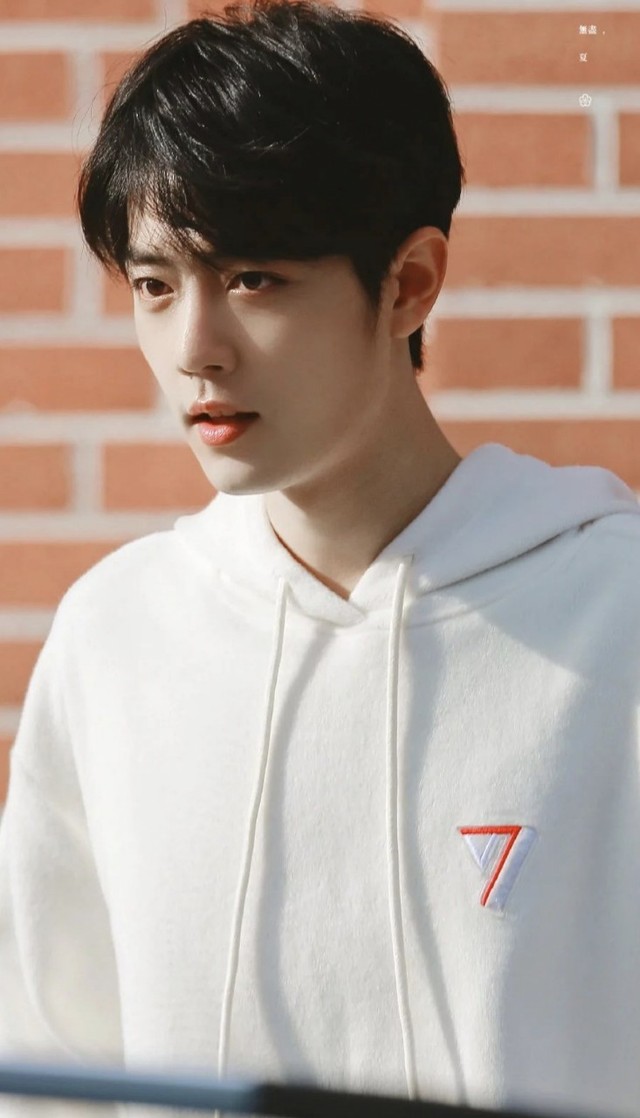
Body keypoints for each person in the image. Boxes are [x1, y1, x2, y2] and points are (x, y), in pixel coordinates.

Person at [1, 1, 639, 1116]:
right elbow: (45, 1064)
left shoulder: (614, 614)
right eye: (154, 285)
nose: (195, 348)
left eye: (254, 278)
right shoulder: (117, 636)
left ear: (409, 283)